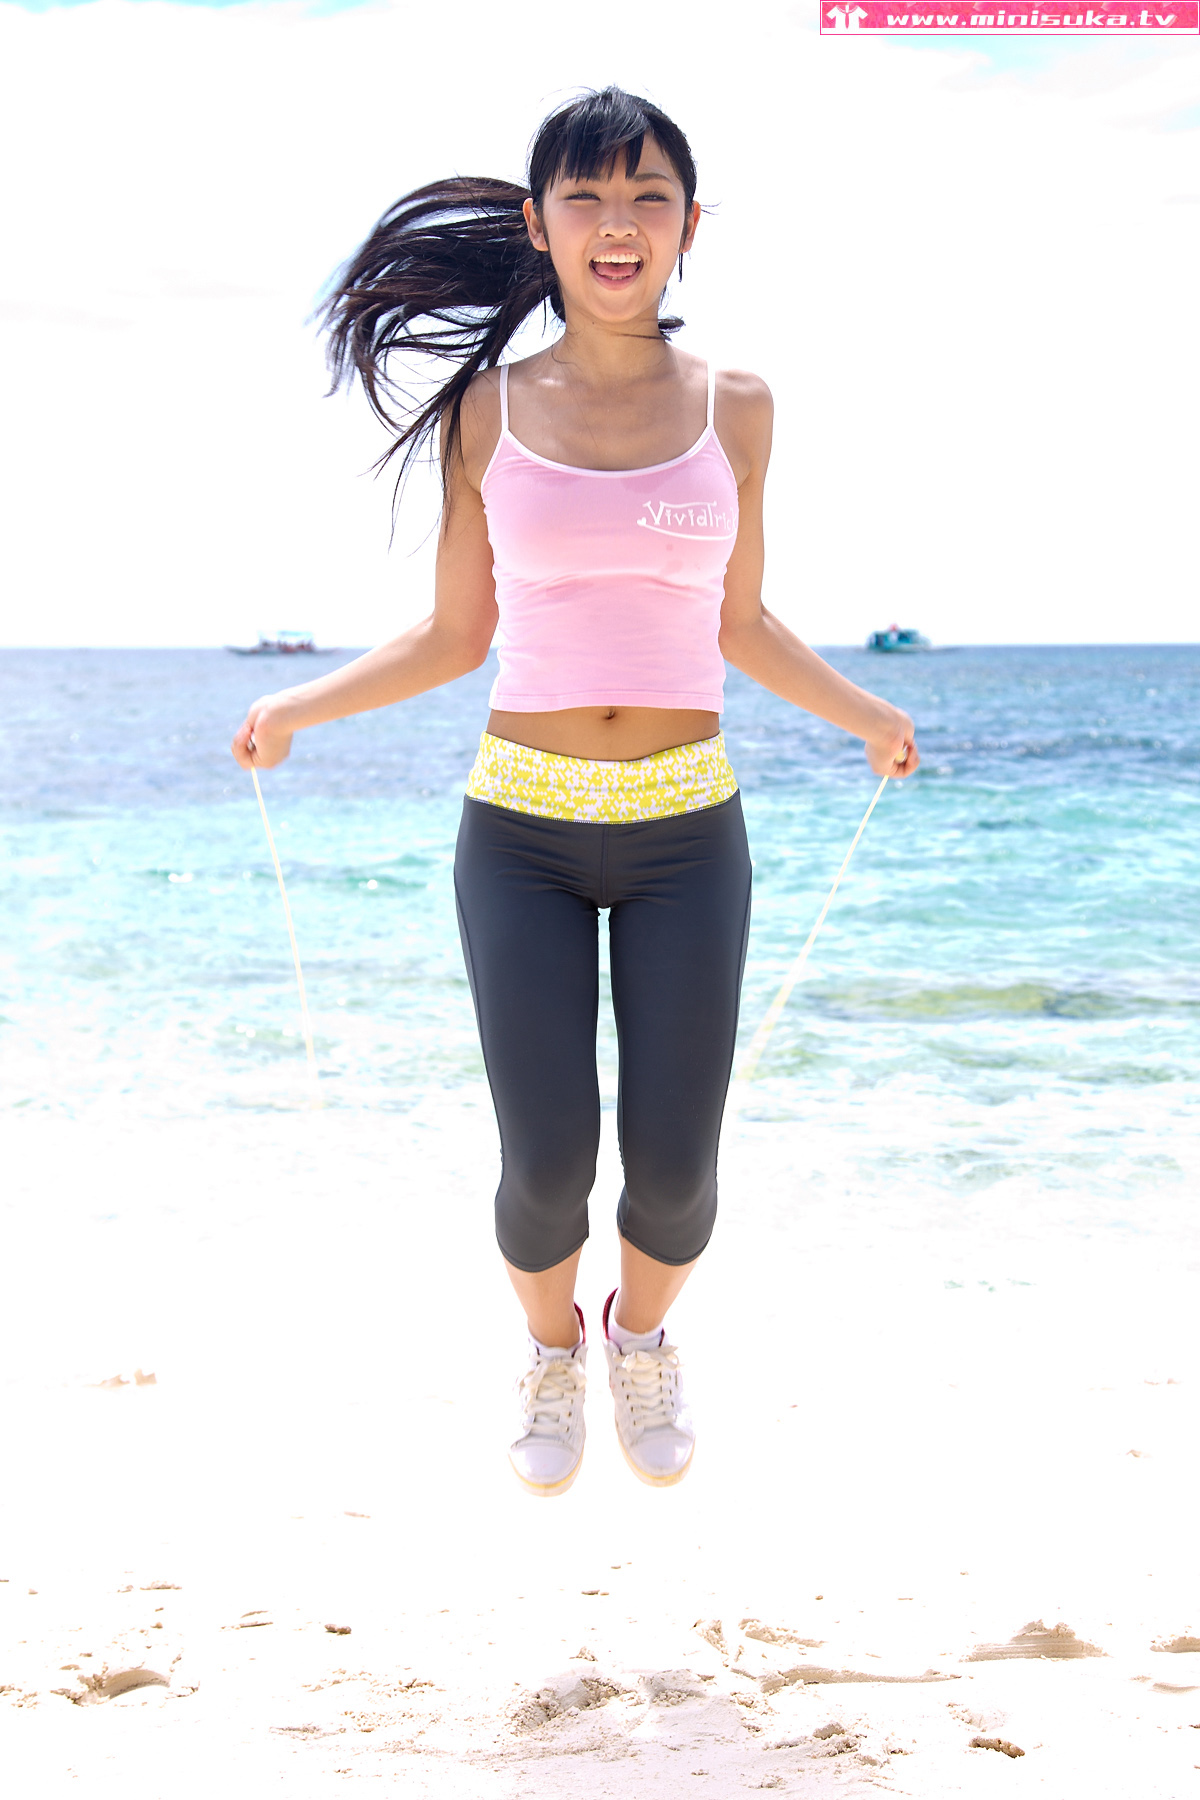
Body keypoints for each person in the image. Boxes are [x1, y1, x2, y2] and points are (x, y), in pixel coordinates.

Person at [231, 87, 919, 1499]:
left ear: (690, 224)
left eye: (648, 194)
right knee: (546, 1163)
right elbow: (455, 634)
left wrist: (867, 713)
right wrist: (295, 704)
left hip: (687, 831)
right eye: (587, 197)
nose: (619, 222)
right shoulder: (485, 413)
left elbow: (741, 619)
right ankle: (550, 1353)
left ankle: (637, 1337)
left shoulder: (739, 407)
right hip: (521, 832)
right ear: (541, 226)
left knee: (675, 1173)